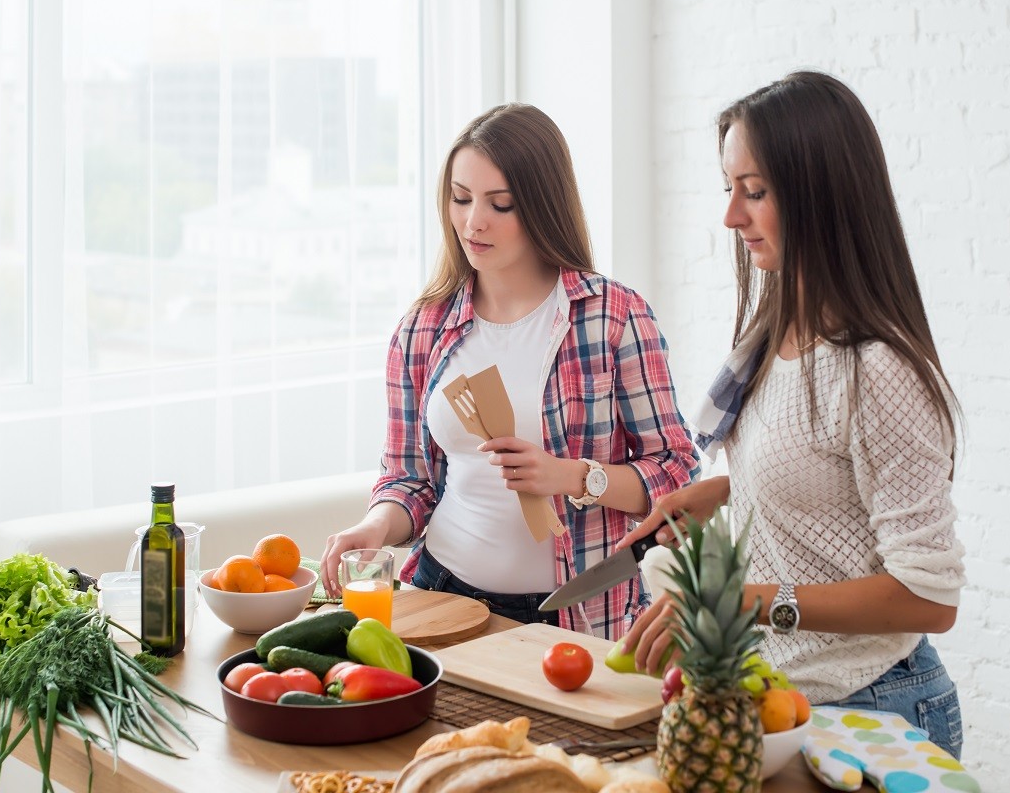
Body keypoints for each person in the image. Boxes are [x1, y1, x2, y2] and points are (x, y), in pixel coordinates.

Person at [620, 71, 967, 757]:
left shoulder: (876, 369)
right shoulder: (773, 335)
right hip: (786, 701)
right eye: (730, 189)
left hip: (877, 709)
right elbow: (820, 473)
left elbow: (929, 598)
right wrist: (721, 492)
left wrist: (752, 600)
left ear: (821, 195)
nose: (731, 217)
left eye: (755, 192)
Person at [318, 103, 699, 640]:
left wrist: (570, 476)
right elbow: (410, 477)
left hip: (572, 613)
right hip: (439, 592)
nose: (474, 221)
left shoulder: (613, 317)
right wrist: (376, 525)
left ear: (543, 205)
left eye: (500, 204)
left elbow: (678, 471)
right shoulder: (422, 330)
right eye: (460, 198)